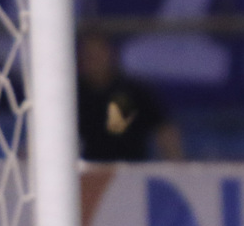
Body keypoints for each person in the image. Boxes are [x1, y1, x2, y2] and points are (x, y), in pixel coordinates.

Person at [76, 32, 183, 162]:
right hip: (85, 169)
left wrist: (175, 165)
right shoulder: (72, 95)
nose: (94, 61)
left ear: (111, 54)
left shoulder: (135, 91)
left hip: (131, 169)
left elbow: (164, 128)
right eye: (88, 56)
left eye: (98, 55)